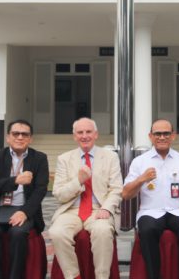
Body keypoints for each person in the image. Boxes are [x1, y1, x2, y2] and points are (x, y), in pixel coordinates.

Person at [122, 119, 179, 279]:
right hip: (150, 212)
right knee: (147, 230)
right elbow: (126, 194)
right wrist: (141, 179)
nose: (162, 137)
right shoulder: (140, 162)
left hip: (178, 211)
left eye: (166, 133)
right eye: (158, 134)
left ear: (173, 136)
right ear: (150, 136)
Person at [48, 117, 123, 279]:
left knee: (102, 230)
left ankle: (102, 276)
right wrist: (78, 181)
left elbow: (117, 189)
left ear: (96, 135)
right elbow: (59, 194)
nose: (84, 136)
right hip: (71, 210)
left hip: (98, 210)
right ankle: (73, 276)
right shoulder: (64, 159)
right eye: (80, 132)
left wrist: (106, 208)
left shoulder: (110, 157)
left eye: (88, 132)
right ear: (74, 136)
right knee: (56, 232)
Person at [0, 119, 49, 278]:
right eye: (15, 133)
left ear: (30, 138)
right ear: (8, 137)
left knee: (18, 233)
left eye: (24, 134)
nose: (20, 137)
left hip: (24, 208)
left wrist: (25, 213)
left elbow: (40, 190)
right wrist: (15, 181)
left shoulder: (39, 158)